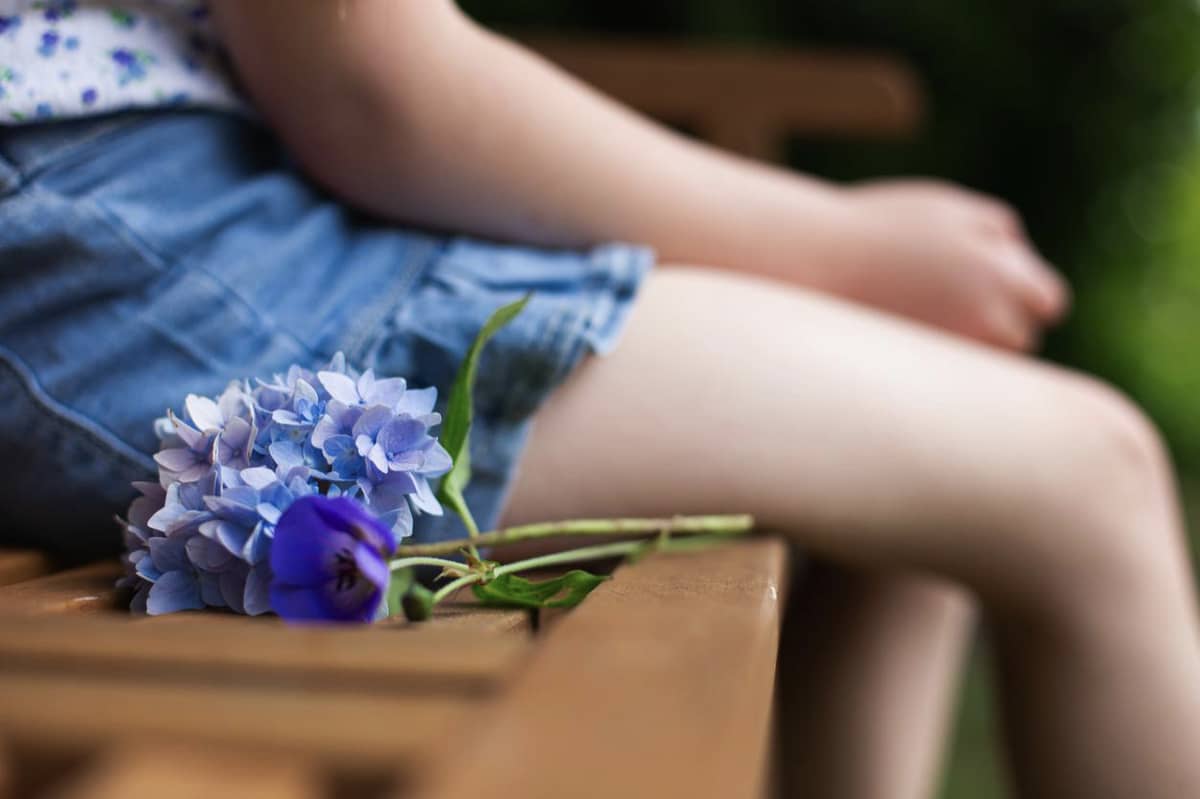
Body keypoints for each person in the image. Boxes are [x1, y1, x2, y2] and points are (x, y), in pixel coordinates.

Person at [0, 2, 1196, 796]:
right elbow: (370, 84)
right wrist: (841, 242)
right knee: (1095, 476)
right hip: (118, 233)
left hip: (149, 214)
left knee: (957, 456)